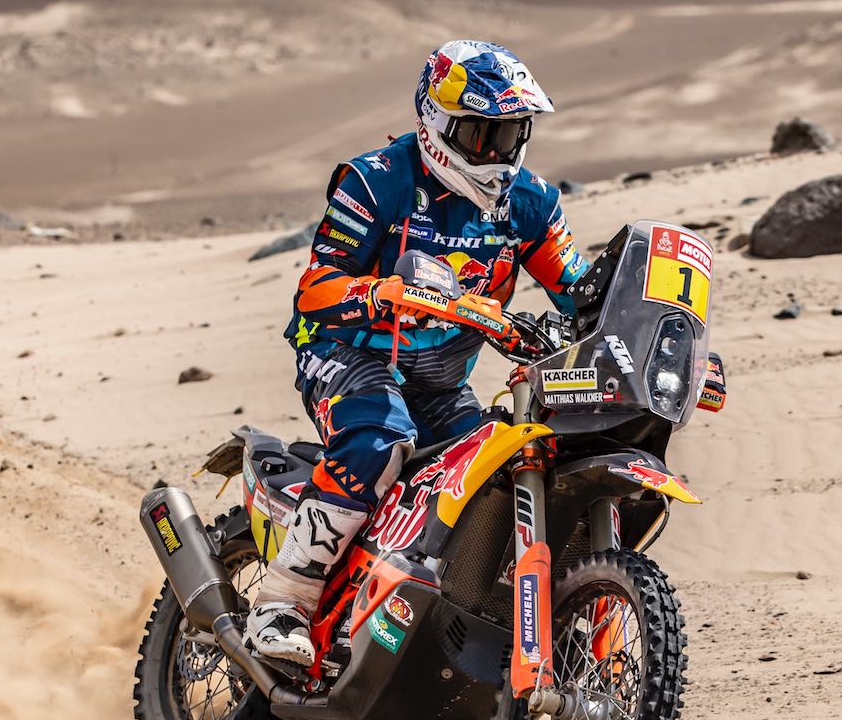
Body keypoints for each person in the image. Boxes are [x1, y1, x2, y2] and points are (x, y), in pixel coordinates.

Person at [246, 40, 589, 663]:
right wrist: (382, 294)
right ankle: (282, 601)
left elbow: (578, 288)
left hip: (440, 380)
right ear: (437, 123)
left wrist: (647, 326)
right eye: (483, 134)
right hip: (345, 353)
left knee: (496, 474)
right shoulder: (376, 180)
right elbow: (315, 290)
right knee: (378, 439)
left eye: (512, 134)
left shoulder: (532, 203)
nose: (498, 153)